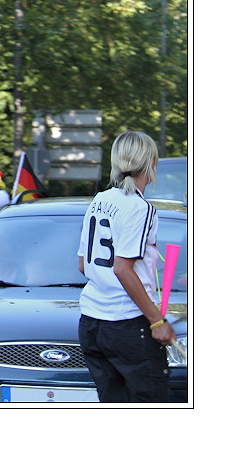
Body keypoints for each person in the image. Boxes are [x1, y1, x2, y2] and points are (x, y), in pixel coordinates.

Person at [77, 130, 174, 402]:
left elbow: (84, 265)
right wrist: (157, 321)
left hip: (92, 322)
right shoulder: (140, 208)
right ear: (151, 162)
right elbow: (122, 269)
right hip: (128, 325)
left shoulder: (100, 199)